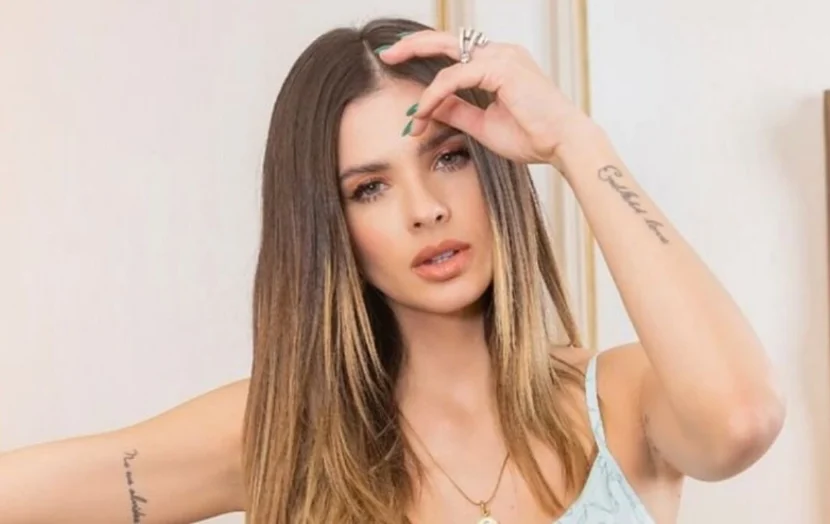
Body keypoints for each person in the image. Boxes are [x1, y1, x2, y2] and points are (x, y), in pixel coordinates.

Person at [0, 17, 785, 524]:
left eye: (449, 158)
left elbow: (742, 422)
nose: (425, 210)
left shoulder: (621, 401)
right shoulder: (283, 429)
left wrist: (575, 141)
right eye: (369, 188)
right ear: (328, 229)